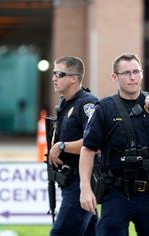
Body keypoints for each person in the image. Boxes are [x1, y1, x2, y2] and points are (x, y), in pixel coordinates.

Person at [79, 53, 149, 236]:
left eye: (136, 71)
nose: (133, 77)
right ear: (115, 77)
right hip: (117, 194)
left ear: (142, 74)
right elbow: (88, 149)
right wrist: (85, 188)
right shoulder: (104, 108)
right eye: (126, 73)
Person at [49, 56, 98, 236]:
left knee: (61, 232)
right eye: (54, 73)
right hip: (69, 181)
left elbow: (96, 142)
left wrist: (62, 146)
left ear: (74, 78)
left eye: (59, 74)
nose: (54, 78)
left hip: (81, 182)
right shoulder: (65, 103)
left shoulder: (87, 104)